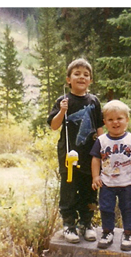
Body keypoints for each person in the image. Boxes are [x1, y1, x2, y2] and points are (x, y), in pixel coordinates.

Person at [47, 58, 103, 243]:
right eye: (77, 74)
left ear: (91, 80)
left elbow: (100, 126)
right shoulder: (63, 100)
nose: (82, 77)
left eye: (86, 75)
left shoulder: (94, 101)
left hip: (90, 156)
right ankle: (69, 226)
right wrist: (62, 111)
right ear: (68, 79)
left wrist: (103, 149)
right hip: (69, 156)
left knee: (89, 189)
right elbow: (54, 126)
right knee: (69, 190)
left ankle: (86, 224)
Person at [90, 100, 131, 251]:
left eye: (119, 118)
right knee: (106, 208)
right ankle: (107, 232)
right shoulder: (101, 140)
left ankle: (128, 234)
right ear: (105, 122)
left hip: (127, 183)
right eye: (110, 119)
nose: (115, 122)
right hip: (107, 183)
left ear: (127, 119)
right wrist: (95, 177)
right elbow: (95, 159)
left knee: (127, 208)